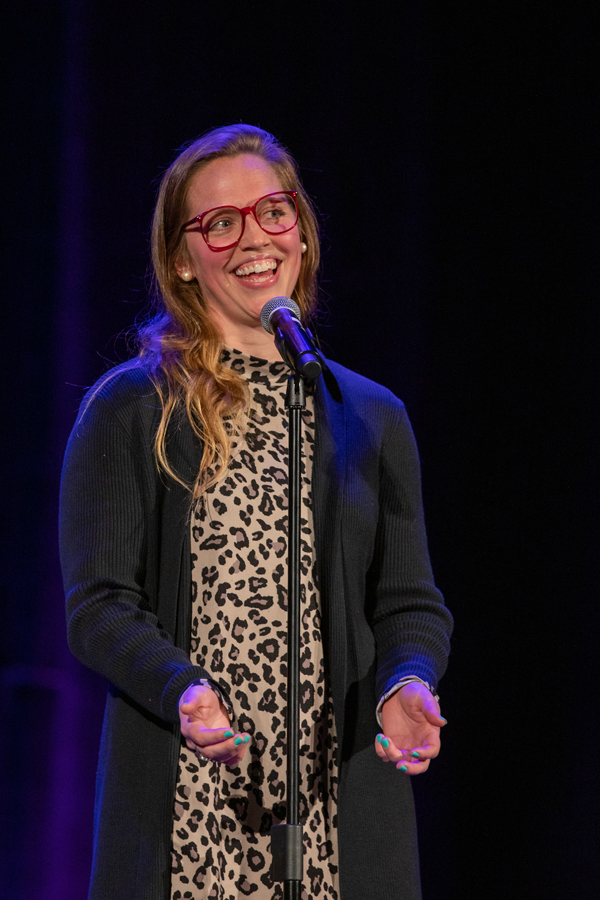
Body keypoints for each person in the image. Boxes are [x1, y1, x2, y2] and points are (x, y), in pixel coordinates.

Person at [59, 124, 453, 900]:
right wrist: (184, 689)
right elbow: (99, 606)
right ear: (181, 257)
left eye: (274, 211)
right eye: (220, 222)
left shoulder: (369, 414)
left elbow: (410, 601)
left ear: (301, 232)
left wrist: (408, 683)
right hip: (192, 807)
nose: (255, 237)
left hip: (336, 813)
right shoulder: (135, 407)